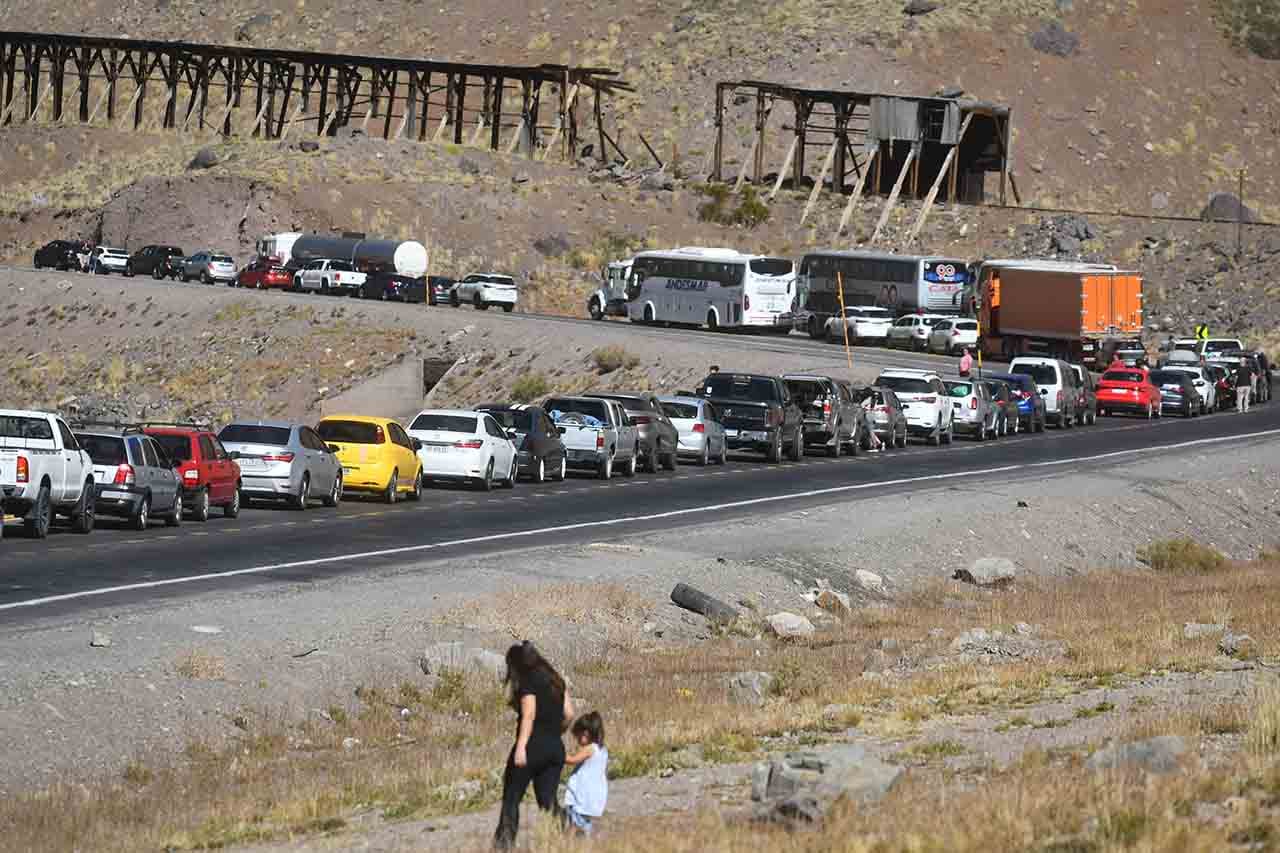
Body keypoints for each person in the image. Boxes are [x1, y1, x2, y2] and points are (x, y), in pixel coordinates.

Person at [494, 642, 574, 849]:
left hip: (531, 748)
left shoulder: (528, 682)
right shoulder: (557, 681)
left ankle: (504, 845)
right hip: (555, 748)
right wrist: (556, 733)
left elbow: (529, 715)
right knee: (548, 801)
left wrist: (521, 747)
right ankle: (571, 831)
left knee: (511, 798)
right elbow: (569, 714)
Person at [562, 712, 609, 835]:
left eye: (578, 737)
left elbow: (572, 760)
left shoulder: (590, 749)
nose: (577, 741)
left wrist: (557, 752)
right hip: (592, 797)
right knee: (584, 824)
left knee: (575, 826)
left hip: (582, 797)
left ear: (585, 734)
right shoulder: (602, 750)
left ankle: (569, 845)